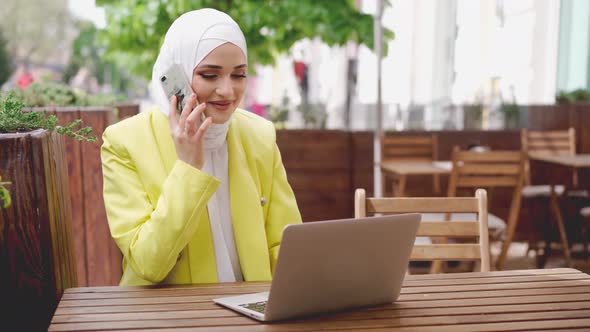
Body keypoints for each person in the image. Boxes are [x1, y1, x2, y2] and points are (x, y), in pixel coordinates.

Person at [101, 8, 302, 286]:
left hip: (252, 313)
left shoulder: (260, 135)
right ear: (175, 74)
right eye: (209, 75)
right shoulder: (124, 141)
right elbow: (148, 263)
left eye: (239, 75)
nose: (228, 91)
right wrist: (188, 168)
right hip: (167, 318)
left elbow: (286, 244)